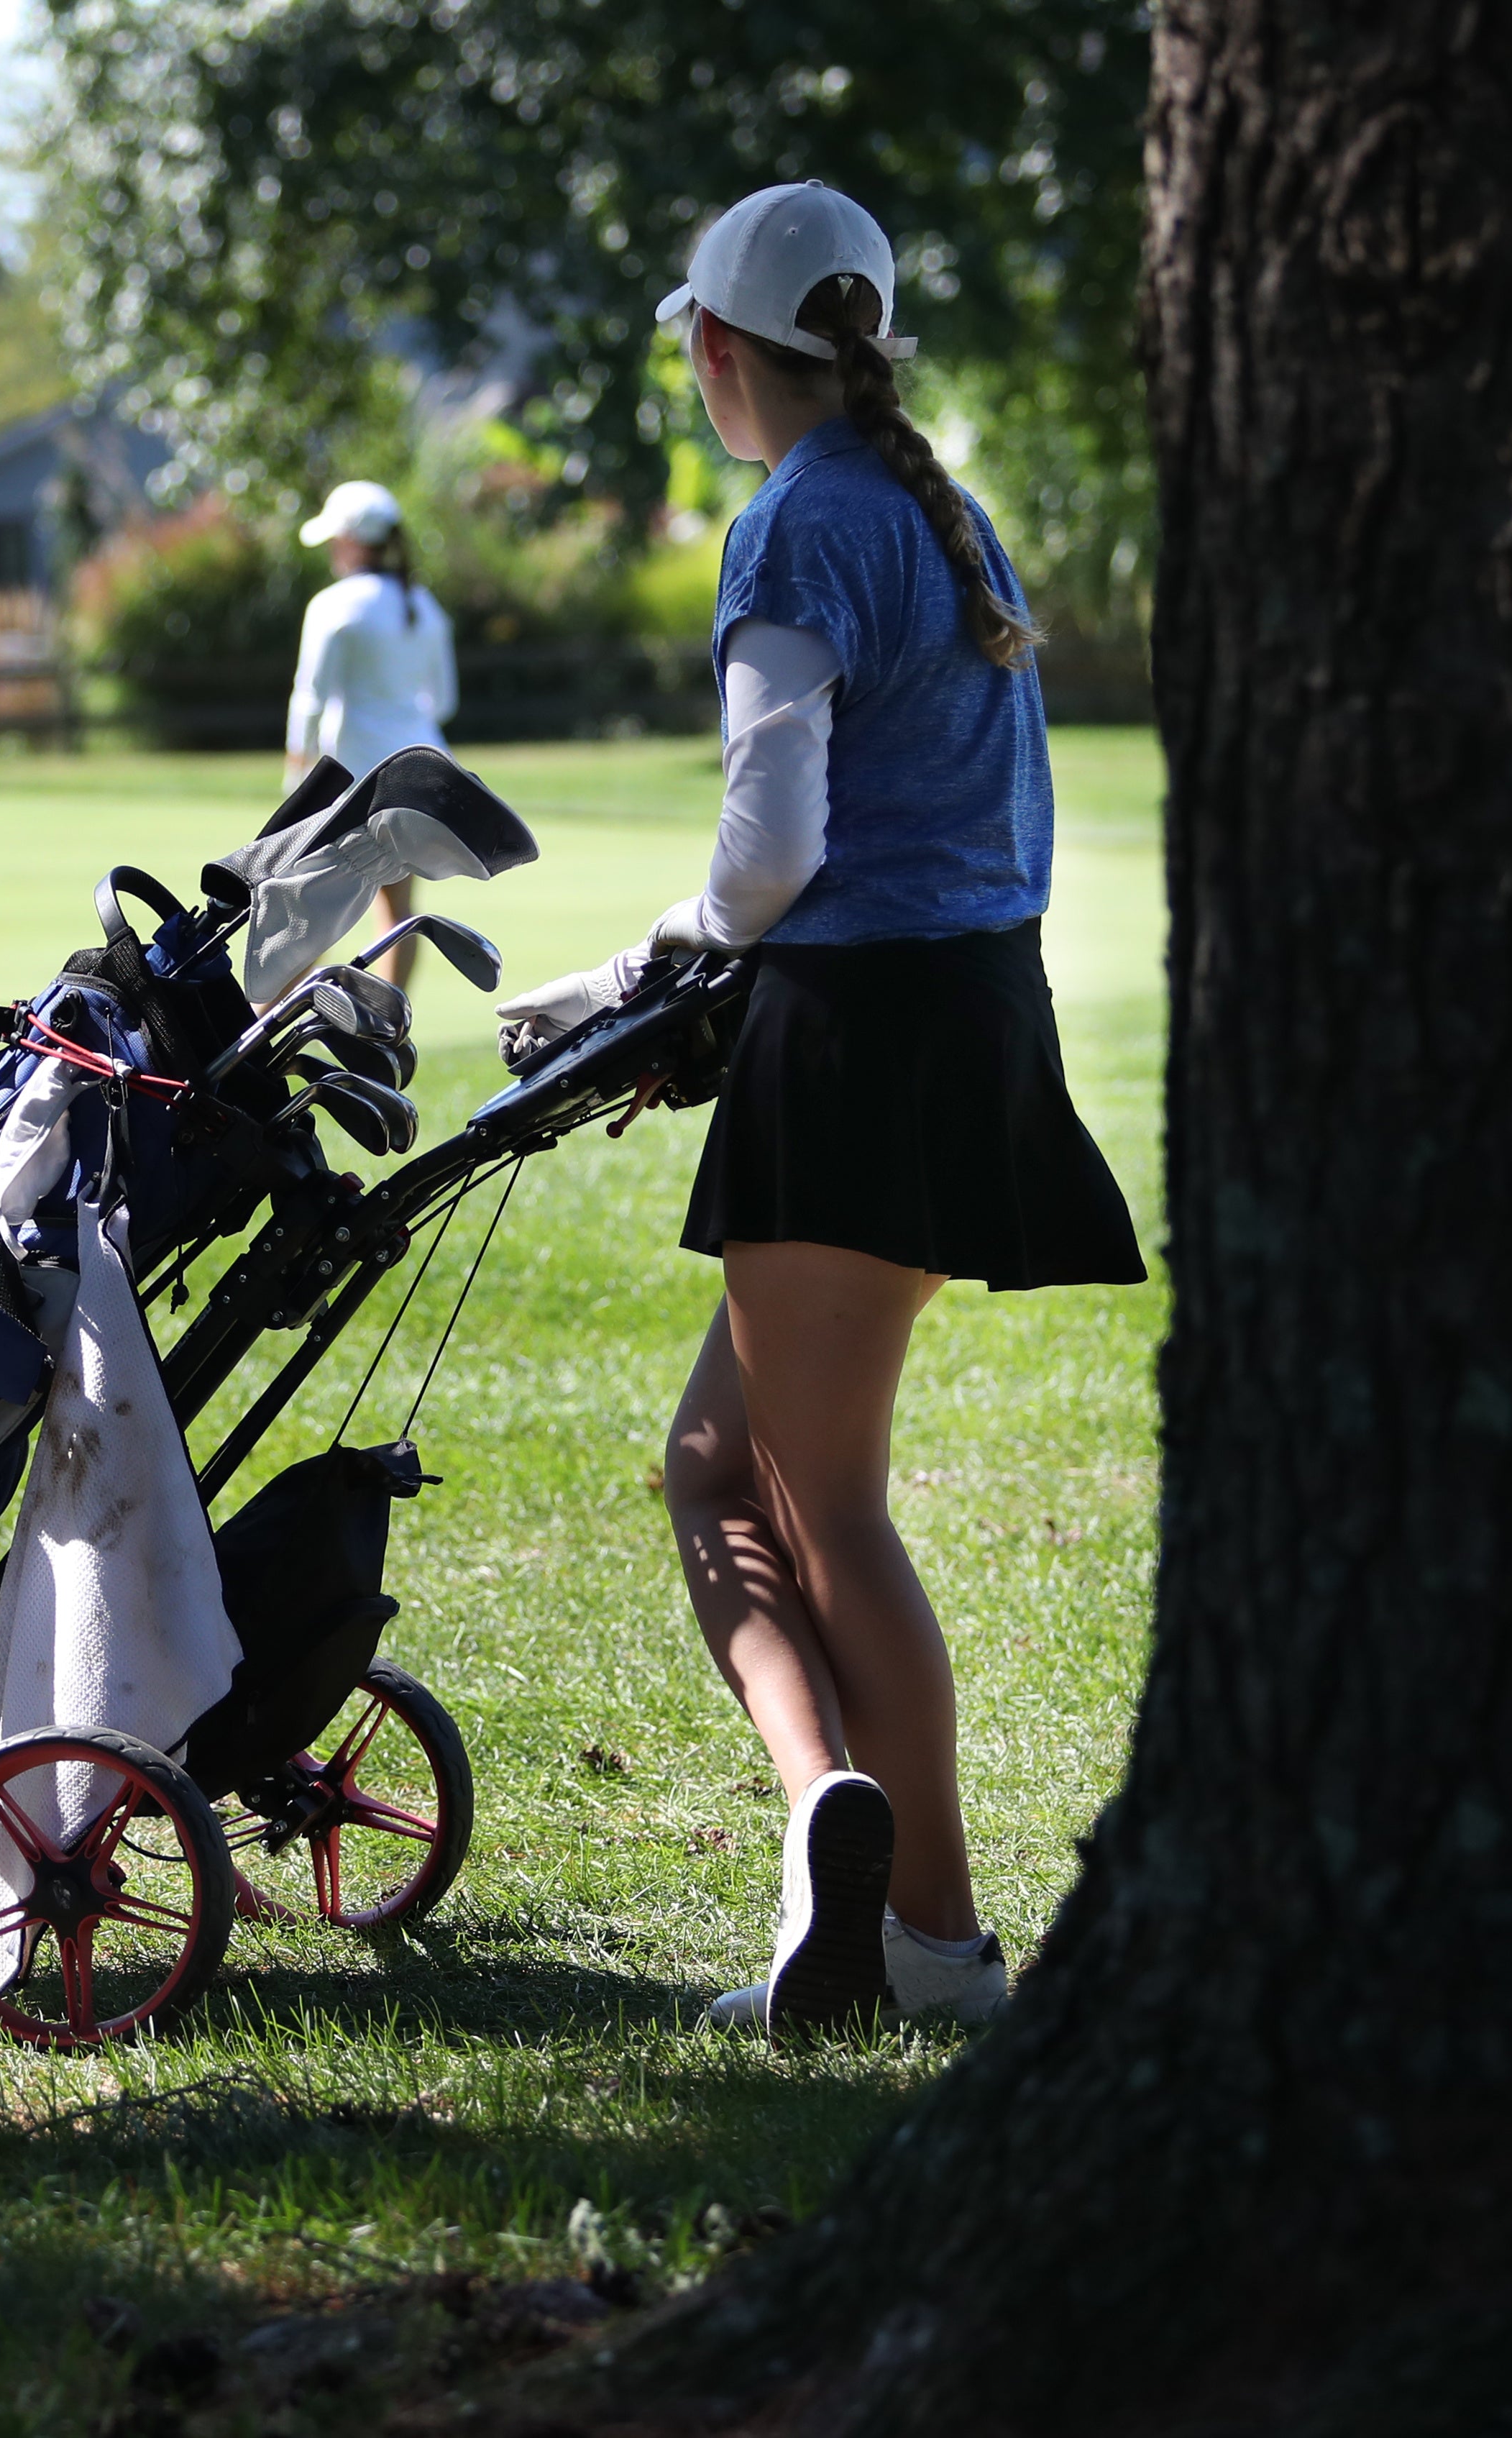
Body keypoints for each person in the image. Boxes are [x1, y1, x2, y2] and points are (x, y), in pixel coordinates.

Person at [496, 183, 1146, 2038]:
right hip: (972, 1023)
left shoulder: (789, 529)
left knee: (818, 1502)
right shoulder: (948, 513)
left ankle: (924, 1933)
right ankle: (830, 1837)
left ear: (714, 352)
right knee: (718, 1472)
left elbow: (768, 847)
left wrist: (636, 966)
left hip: (853, 1039)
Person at [285, 479, 458, 981]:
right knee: (397, 916)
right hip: (420, 781)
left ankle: (254, 1036)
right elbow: (443, 702)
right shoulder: (423, 605)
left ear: (354, 541)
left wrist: (297, 779)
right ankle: (382, 1038)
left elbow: (310, 700)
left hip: (353, 785)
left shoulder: (333, 605)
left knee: (306, 919)